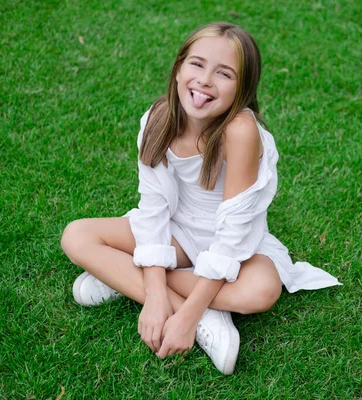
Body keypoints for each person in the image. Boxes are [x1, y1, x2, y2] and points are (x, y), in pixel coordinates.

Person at [61, 22, 341, 375]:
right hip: (179, 232)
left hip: (235, 244)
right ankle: (195, 307)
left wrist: (185, 317)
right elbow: (154, 210)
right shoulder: (158, 119)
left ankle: (126, 277)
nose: (205, 80)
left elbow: (233, 233)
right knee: (76, 235)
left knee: (262, 291)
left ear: (242, 89)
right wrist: (159, 299)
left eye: (224, 73)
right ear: (178, 68)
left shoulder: (239, 132)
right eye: (196, 64)